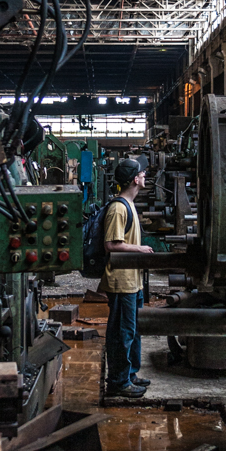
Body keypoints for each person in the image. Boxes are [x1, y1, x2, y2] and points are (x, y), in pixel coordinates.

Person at [99, 157, 154, 398]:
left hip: (133, 281)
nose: (144, 176)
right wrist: (139, 249)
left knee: (133, 331)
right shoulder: (119, 207)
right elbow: (111, 244)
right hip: (121, 282)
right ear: (134, 179)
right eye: (142, 173)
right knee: (122, 333)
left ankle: (130, 374)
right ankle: (118, 382)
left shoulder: (130, 205)